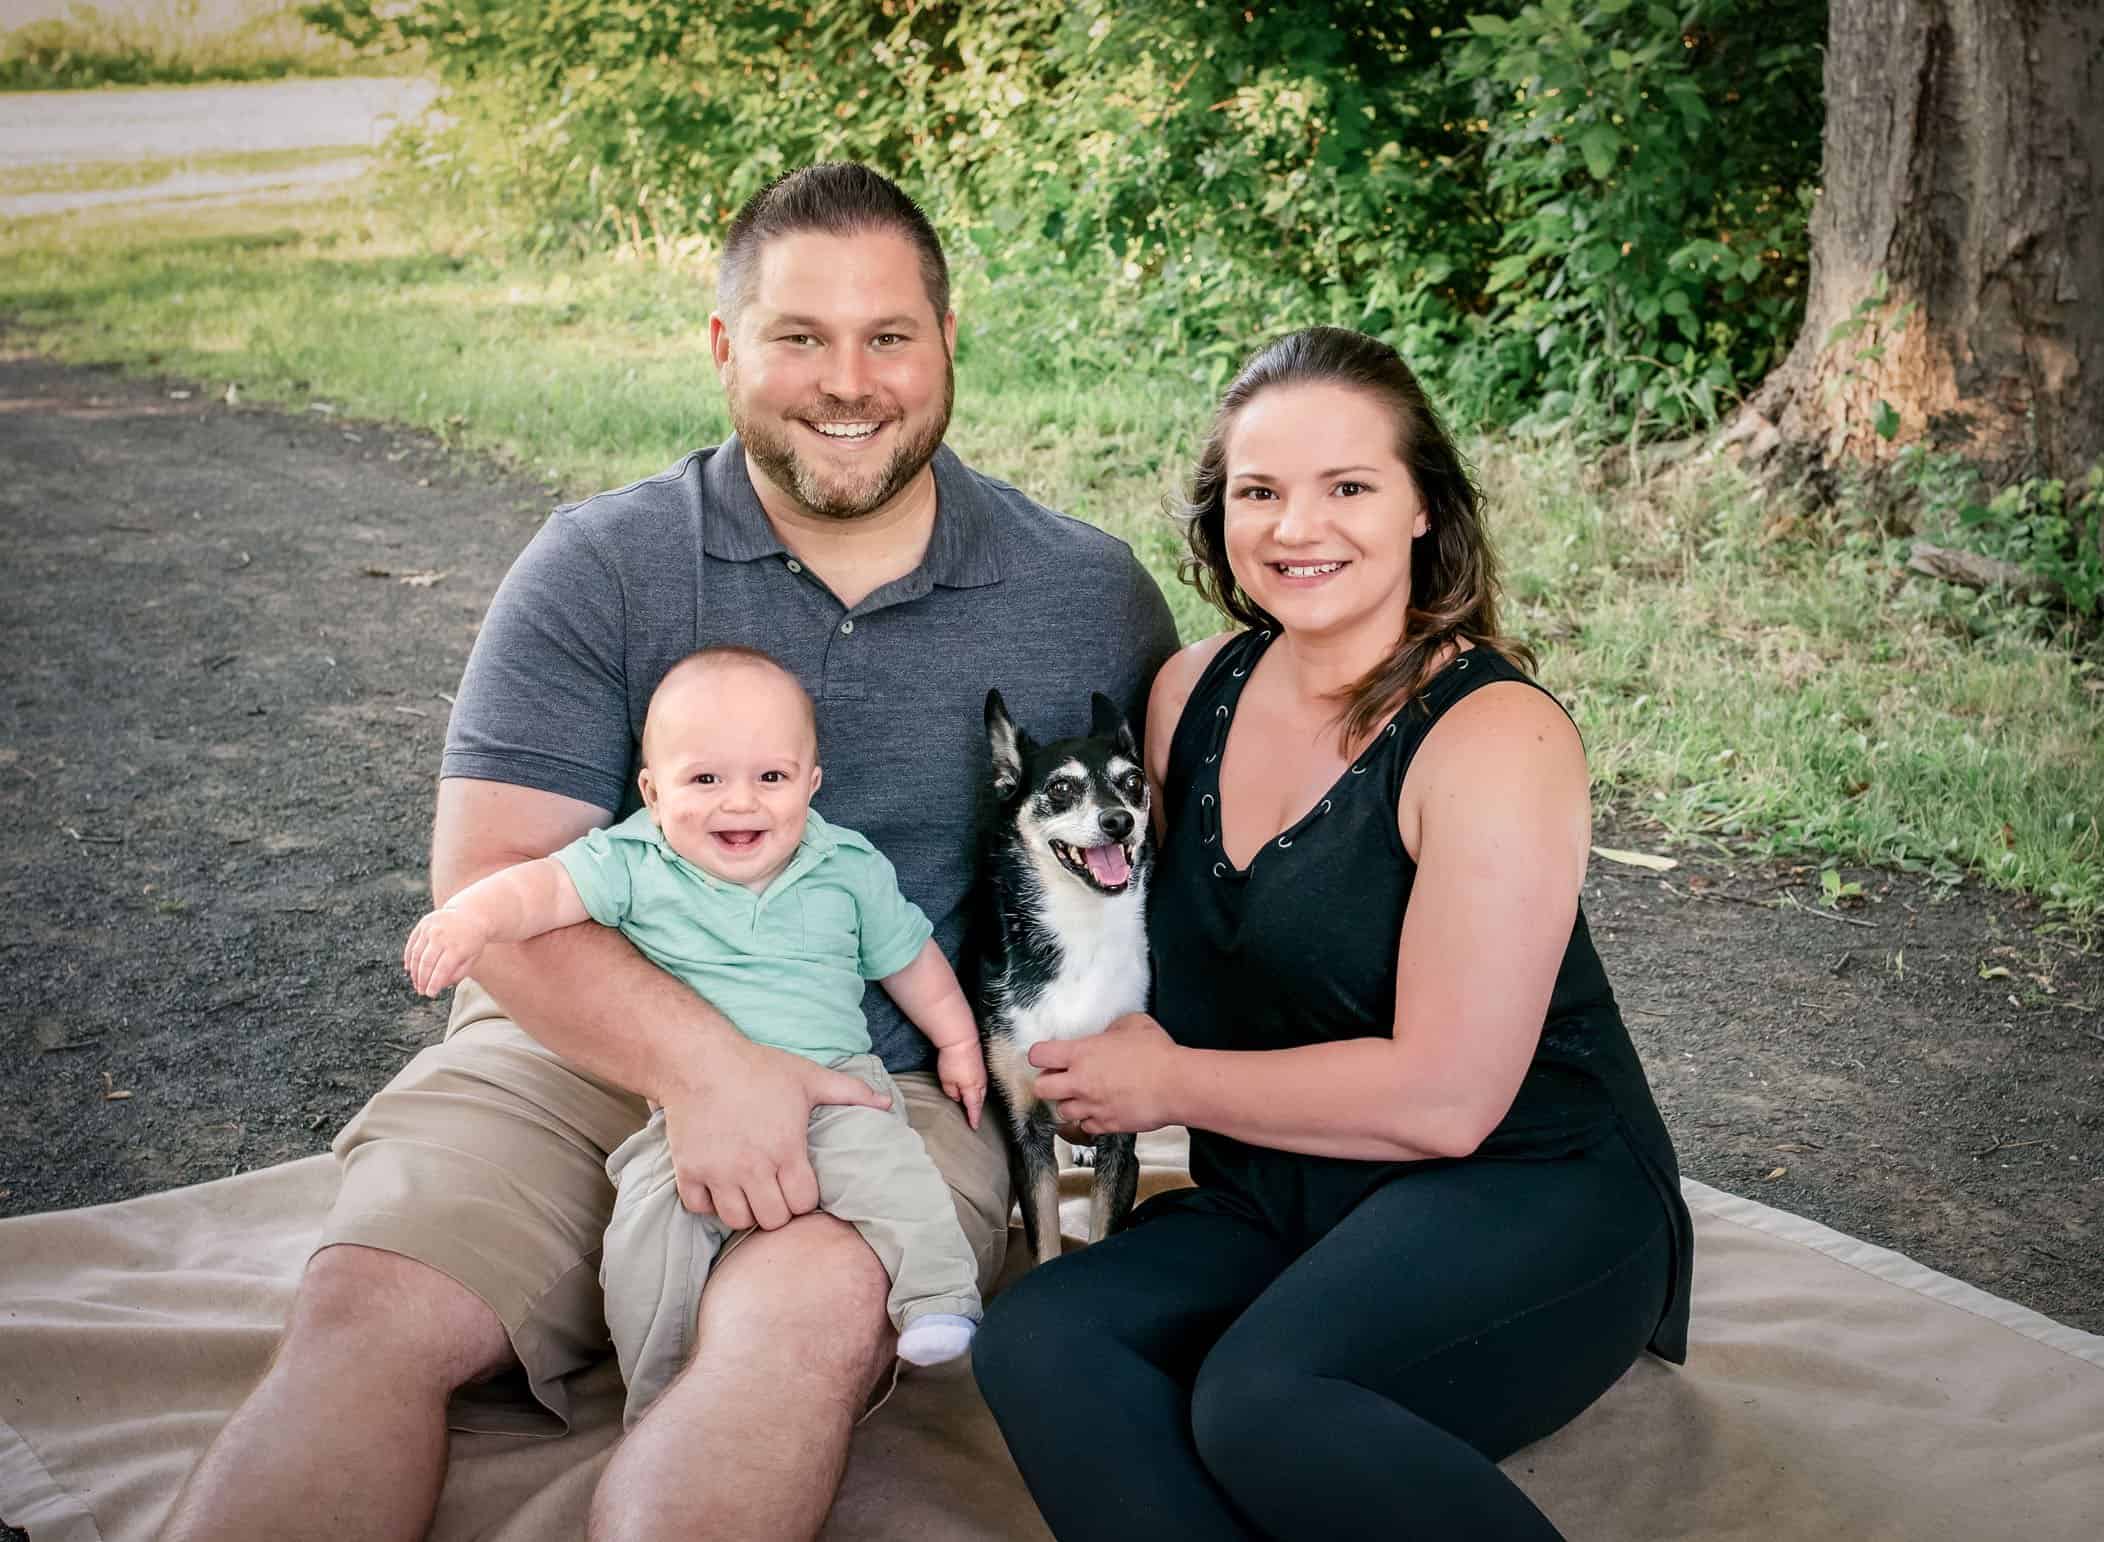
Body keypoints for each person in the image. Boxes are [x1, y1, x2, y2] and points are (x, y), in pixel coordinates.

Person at [159, 162, 1179, 1542]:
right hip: (568, 1042)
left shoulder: (1083, 592)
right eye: (798, 336)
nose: (849, 380)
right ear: (722, 348)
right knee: (370, 1311)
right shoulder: (604, 564)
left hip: (878, 1072)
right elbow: (491, 880)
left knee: (793, 1334)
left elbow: (1202, 836)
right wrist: (703, 1066)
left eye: (889, 334)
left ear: (949, 343)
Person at [972, 325, 1695, 1542]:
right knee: (1041, 1340)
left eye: (1347, 486)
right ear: (1220, 519)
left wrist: (1171, 1078)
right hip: (1278, 1191)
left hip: (1522, 1191)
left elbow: (1447, 1100)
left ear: (1423, 508)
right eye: (1259, 491)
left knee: (1262, 1403)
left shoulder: (1494, 736)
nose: (1296, 528)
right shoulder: (1185, 693)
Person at [401, 646, 990, 1423]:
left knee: (897, 1178)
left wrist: (956, 1043)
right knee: (644, 1241)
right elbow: (544, 888)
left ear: (812, 784)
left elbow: (909, 959)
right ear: (652, 789)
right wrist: (474, 915)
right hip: (685, 1110)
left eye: (771, 778)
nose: (738, 804)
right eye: (705, 779)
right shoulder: (637, 859)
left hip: (839, 1081)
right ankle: (658, 1391)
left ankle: (938, 1300)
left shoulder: (847, 864)